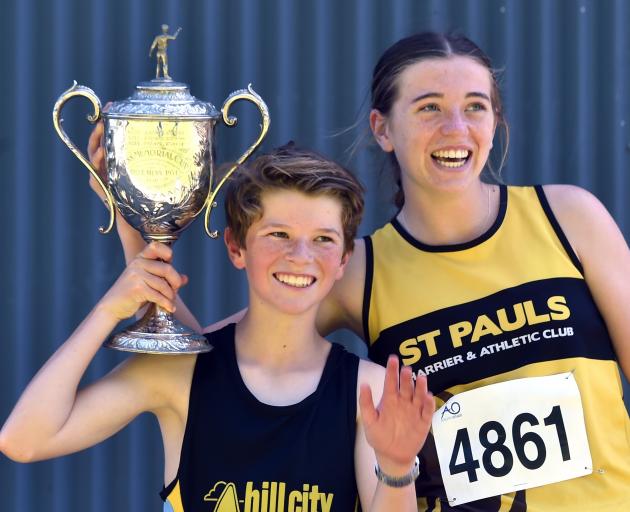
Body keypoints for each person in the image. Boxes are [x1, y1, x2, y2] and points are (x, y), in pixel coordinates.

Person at [85, 32, 629, 510]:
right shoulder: (360, 271)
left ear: (495, 121)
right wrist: (138, 226)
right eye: (429, 108)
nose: (456, 128)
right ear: (383, 127)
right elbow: (210, 360)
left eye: (476, 106)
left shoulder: (567, 217)